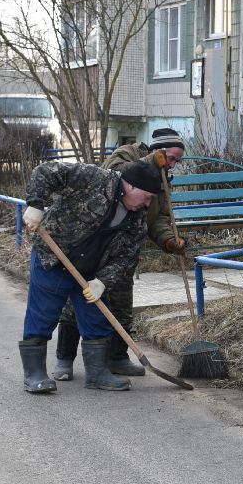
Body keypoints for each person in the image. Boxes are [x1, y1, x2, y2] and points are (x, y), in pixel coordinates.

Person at [17, 159, 165, 394]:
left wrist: (103, 281)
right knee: (43, 314)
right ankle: (34, 375)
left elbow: (126, 258)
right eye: (146, 197)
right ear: (131, 186)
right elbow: (45, 171)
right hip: (55, 258)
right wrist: (36, 205)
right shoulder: (93, 179)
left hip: (91, 271)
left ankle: (97, 374)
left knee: (96, 319)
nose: (147, 204)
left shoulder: (136, 220)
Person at [51, 128, 188, 381]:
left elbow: (157, 217)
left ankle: (117, 358)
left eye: (176, 161)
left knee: (122, 305)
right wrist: (151, 163)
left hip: (126, 245)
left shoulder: (164, 180)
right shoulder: (126, 155)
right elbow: (118, 177)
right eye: (170, 158)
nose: (173, 165)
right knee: (76, 303)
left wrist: (169, 240)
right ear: (157, 151)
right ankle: (64, 359)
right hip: (98, 242)